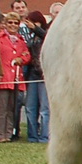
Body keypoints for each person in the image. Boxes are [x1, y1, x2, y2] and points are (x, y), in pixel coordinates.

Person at [0, 14, 30, 141]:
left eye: (15, 23)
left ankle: (8, 134)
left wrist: (21, 59)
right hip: (2, 78)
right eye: (10, 23)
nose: (13, 25)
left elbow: (27, 55)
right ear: (5, 24)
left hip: (16, 78)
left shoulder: (21, 40)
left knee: (12, 109)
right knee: (1, 109)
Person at [23, 10, 51, 142]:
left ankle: (44, 136)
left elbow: (48, 38)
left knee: (44, 109)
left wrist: (37, 29)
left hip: (43, 75)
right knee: (30, 107)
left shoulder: (45, 32)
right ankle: (32, 135)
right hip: (32, 75)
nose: (32, 25)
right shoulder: (30, 37)